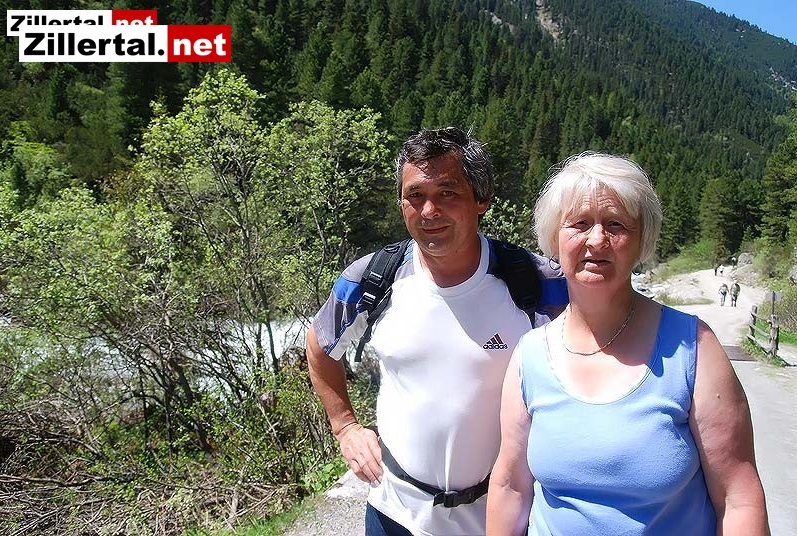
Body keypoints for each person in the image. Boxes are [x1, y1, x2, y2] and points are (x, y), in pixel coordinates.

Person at [486, 153, 769, 535]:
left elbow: (739, 497)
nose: (596, 239)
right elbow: (511, 487)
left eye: (615, 224)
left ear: (641, 241)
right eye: (580, 224)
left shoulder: (693, 348)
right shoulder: (531, 355)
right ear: (555, 238)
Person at [306, 126, 567, 536]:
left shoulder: (535, 282)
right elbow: (320, 346)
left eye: (447, 193)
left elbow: (594, 353)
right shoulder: (372, 279)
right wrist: (345, 427)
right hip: (394, 514)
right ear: (401, 203)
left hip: (502, 516)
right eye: (415, 195)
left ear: (481, 200)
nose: (429, 211)